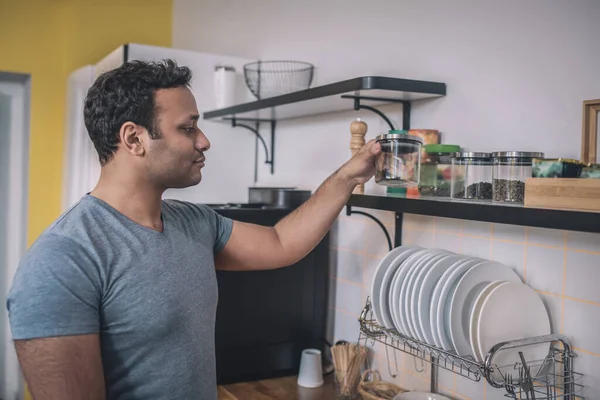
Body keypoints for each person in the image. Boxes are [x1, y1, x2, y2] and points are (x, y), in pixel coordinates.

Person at [6, 59, 381, 400]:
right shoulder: (62, 261)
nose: (204, 141)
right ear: (134, 139)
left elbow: (282, 243)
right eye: (188, 128)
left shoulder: (194, 222)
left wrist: (348, 175)